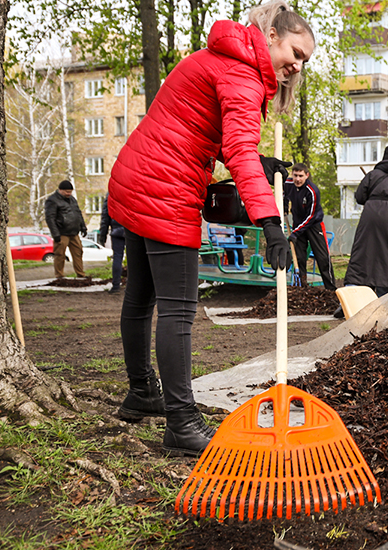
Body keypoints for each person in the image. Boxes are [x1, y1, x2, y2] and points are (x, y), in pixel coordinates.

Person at [107, 0, 311, 457]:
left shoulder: (221, 57)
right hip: (166, 186)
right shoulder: (241, 75)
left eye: (305, 62)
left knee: (140, 296)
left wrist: (261, 163)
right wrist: (271, 223)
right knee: (179, 308)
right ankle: (181, 420)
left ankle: (141, 391)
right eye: (294, 52)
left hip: (137, 175)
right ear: (272, 35)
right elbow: (237, 151)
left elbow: (200, 129)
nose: (297, 66)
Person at [343, 146, 388, 297]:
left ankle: (354, 291)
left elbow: (360, 197)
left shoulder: (372, 175)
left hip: (370, 214)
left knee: (363, 250)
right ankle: (386, 293)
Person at [285, 163, 336, 290]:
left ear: (306, 175)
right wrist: (285, 207)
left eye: (301, 176)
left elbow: (311, 216)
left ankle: (331, 290)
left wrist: (295, 233)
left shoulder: (312, 191)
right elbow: (283, 193)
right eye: (295, 175)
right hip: (298, 225)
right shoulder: (288, 184)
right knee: (300, 258)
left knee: (322, 258)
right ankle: (303, 288)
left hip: (314, 224)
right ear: (292, 174)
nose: (298, 179)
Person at [44, 180, 87, 279]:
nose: (69, 193)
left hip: (74, 232)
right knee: (60, 255)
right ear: (60, 190)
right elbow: (50, 218)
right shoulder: (52, 200)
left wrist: (83, 227)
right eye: (67, 192)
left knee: (78, 252)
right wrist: (55, 234)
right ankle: (59, 275)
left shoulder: (72, 199)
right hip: (61, 233)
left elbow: (78, 214)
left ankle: (80, 274)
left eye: (70, 191)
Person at [98, 195, 126, 293]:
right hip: (132, 230)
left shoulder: (111, 193)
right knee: (134, 259)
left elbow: (105, 216)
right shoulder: (133, 188)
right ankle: (133, 286)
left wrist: (103, 235)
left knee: (117, 257)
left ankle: (116, 285)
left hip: (116, 230)